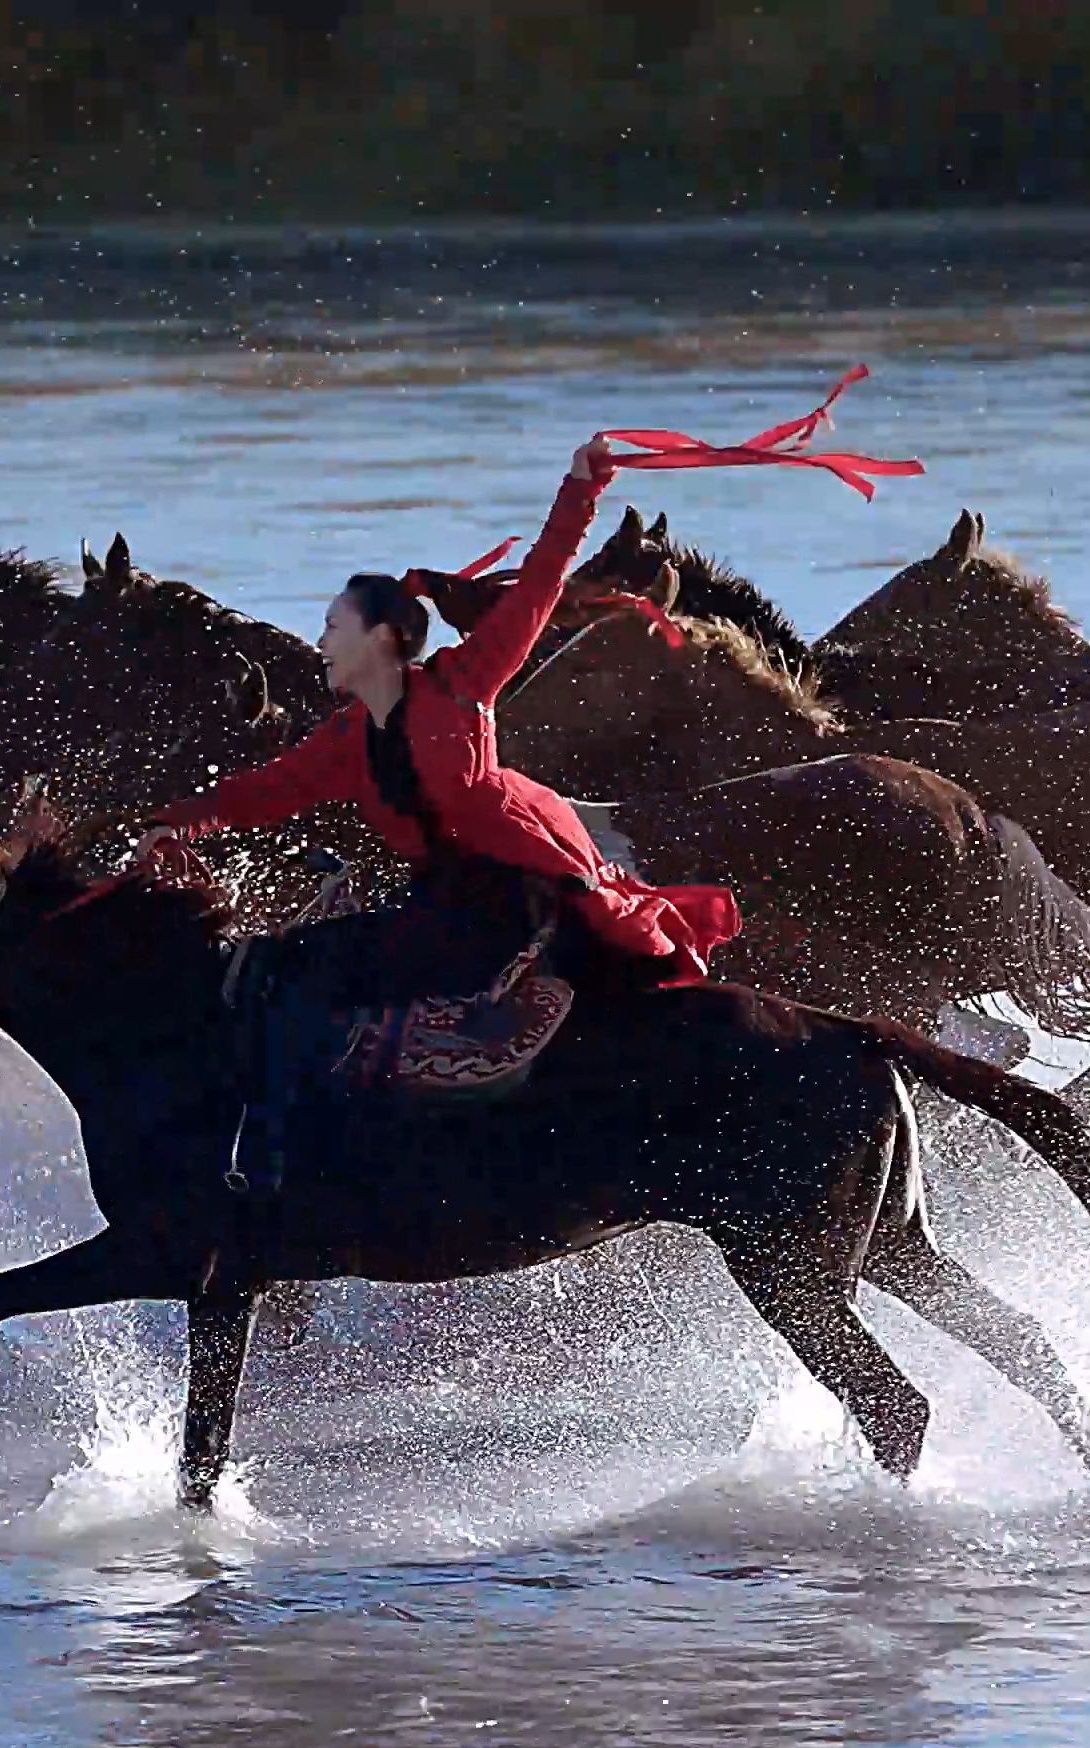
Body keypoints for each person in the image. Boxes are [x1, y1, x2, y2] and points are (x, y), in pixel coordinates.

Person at [144, 437, 739, 1192]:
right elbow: (258, 792)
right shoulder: (347, 739)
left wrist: (580, 489)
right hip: (447, 902)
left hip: (514, 904)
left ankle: (268, 1166)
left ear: (385, 641)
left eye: (335, 627)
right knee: (268, 964)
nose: (321, 642)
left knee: (293, 977)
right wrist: (175, 822)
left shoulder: (465, 682)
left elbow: (543, 583)